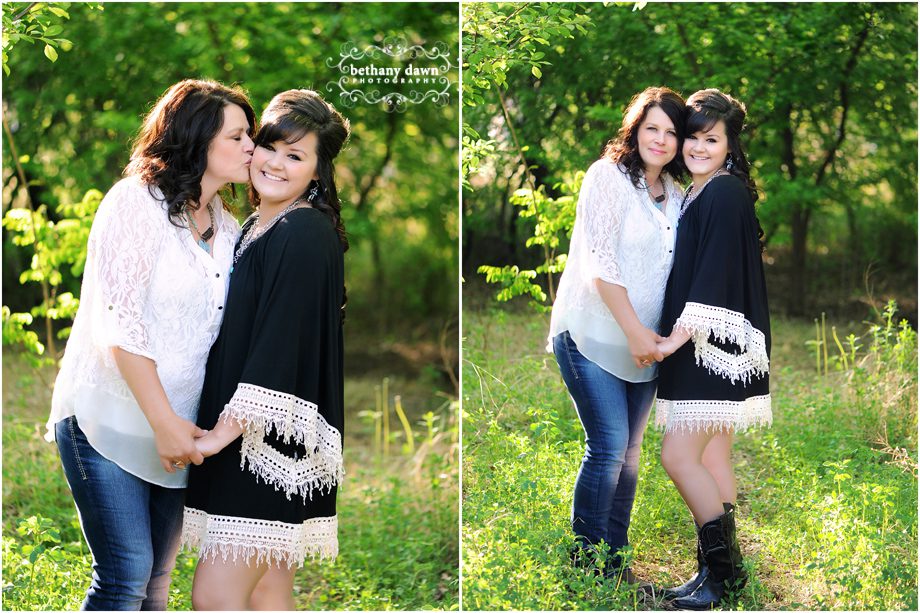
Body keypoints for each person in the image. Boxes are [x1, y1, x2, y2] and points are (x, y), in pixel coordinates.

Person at [46, 79, 255, 610]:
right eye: (237, 137)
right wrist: (164, 425)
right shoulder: (136, 202)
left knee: (159, 579)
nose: (251, 147)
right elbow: (119, 323)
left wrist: (184, 430)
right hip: (110, 417)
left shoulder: (228, 228)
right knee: (126, 575)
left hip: (180, 428)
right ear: (197, 138)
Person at [179, 89, 350, 611]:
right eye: (271, 146)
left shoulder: (303, 233)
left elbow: (279, 349)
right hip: (257, 440)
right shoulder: (258, 225)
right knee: (269, 595)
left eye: (295, 156)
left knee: (215, 597)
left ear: (317, 172)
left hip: (265, 446)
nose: (275, 162)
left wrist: (214, 441)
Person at [546, 86, 686, 587]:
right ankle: (584, 566)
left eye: (672, 132)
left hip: (647, 342)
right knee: (607, 446)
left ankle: (616, 562)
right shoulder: (606, 177)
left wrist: (658, 338)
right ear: (635, 128)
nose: (662, 139)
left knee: (630, 453)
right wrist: (634, 333)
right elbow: (599, 264)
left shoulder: (676, 193)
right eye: (653, 128)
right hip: (593, 333)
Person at [654, 88, 771, 610]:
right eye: (693, 138)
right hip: (715, 346)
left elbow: (716, 273)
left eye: (711, 139)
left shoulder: (722, 192)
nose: (698, 147)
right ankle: (717, 574)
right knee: (714, 453)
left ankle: (724, 576)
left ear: (729, 146)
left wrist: (675, 338)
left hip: (710, 346)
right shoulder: (704, 192)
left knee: (679, 456)